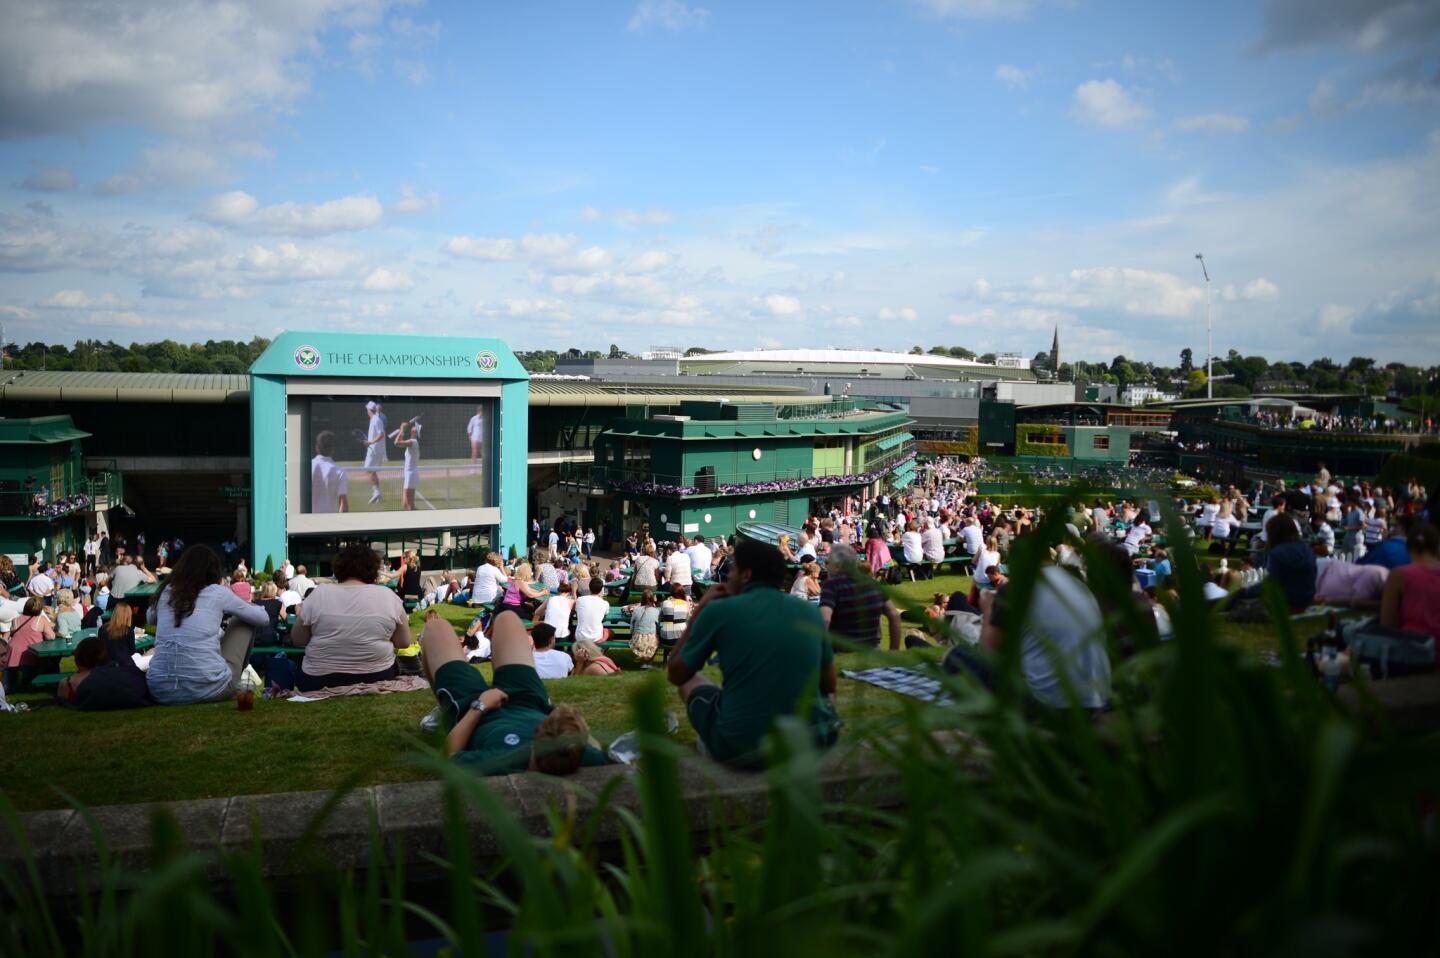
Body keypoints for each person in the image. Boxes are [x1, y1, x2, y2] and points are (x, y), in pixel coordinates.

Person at [666, 539, 839, 768]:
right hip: (814, 742)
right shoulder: (810, 613)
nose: (729, 575)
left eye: (734, 568)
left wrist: (700, 610)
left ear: (746, 575)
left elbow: (677, 673)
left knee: (692, 683)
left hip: (742, 747)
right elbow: (829, 686)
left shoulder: (720, 611)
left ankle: (713, 742)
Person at [422, 610, 609, 775]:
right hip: (530, 702)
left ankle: (443, 712)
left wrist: (479, 707)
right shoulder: (577, 753)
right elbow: (595, 748)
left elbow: (447, 759)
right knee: (507, 619)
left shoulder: (505, 760)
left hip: (475, 711)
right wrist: (559, 719)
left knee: (435, 628)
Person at [945, 563, 1112, 710]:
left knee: (955, 655)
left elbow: (987, 653)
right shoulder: (1078, 587)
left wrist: (989, 609)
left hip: (1049, 705)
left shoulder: (1016, 588)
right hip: (1096, 698)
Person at [145, 546, 272, 705]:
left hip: (160, 690)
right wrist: (246, 606)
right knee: (242, 621)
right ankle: (234, 680)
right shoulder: (217, 592)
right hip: (208, 689)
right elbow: (263, 619)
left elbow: (150, 619)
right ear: (214, 571)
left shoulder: (167, 592)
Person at [290, 543, 411, 691]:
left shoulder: (319, 594)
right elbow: (403, 642)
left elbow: (298, 639)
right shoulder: (388, 596)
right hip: (377, 676)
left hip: (319, 679)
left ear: (338, 567)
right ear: (374, 569)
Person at [820, 543, 904, 650]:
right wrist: (894, 651)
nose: (826, 566)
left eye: (828, 562)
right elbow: (894, 616)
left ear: (838, 565)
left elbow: (825, 620)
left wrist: (821, 652)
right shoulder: (874, 584)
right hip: (872, 652)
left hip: (842, 653)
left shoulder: (832, 585)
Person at [1379, 522, 1440, 662]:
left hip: (1411, 654)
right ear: (1436, 547)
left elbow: (1387, 625)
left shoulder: (1399, 575)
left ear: (1408, 547)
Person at [4, 597, 55, 692]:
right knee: (39, 667)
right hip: (30, 651)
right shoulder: (41, 619)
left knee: (10, 672)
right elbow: (51, 636)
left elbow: (12, 632)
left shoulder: (16, 619)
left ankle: (8, 687)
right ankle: (34, 684)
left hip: (13, 650)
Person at [362, 400, 388, 505]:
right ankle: (377, 493)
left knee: (368, 469)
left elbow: (381, 434)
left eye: (367, 409)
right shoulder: (374, 419)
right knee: (373, 471)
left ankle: (376, 492)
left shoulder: (376, 420)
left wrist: (371, 442)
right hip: (375, 449)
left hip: (375, 450)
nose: (367, 411)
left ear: (369, 410)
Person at [573, 577, 609, 643]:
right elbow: (606, 614)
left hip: (580, 636)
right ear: (601, 589)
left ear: (589, 587)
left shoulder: (580, 600)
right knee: (610, 633)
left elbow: (576, 610)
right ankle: (601, 652)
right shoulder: (604, 603)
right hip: (596, 637)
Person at [628, 589, 661, 662]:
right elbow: (658, 626)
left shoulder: (636, 610)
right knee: (658, 640)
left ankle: (645, 660)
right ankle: (648, 662)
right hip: (650, 638)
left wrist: (633, 634)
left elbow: (631, 625)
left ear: (642, 599)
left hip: (637, 638)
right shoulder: (656, 611)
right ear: (652, 599)